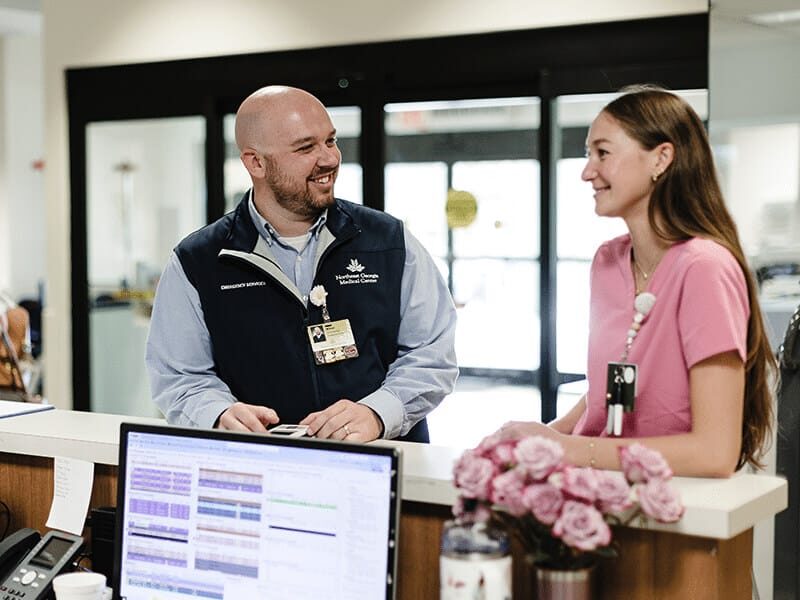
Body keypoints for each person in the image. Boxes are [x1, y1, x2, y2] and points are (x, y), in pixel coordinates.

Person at [145, 85, 458, 443]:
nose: (329, 159)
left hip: (380, 467)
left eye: (331, 141)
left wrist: (379, 412)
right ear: (255, 163)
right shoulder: (197, 261)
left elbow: (432, 355)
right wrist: (216, 413)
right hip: (258, 469)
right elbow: (179, 376)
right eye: (306, 148)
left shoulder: (389, 242)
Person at [497, 86, 775, 477]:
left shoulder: (705, 269)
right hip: (601, 494)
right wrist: (541, 436)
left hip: (677, 510)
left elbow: (715, 453)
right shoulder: (608, 260)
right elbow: (609, 392)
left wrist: (573, 448)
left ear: (661, 158)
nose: (586, 171)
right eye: (587, 154)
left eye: (603, 153)